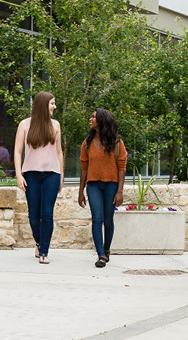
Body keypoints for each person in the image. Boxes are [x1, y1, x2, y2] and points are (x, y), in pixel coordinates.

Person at [14, 91, 64, 264]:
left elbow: (59, 152)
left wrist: (61, 175)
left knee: (47, 213)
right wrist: (19, 174)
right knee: (33, 216)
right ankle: (38, 242)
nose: (54, 106)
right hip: (31, 174)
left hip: (52, 174)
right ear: (43, 105)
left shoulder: (56, 125)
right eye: (52, 103)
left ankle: (44, 251)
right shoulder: (25, 125)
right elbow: (18, 151)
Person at [78, 109, 127, 268]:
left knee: (108, 220)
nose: (90, 119)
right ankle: (100, 255)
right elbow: (84, 167)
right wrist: (81, 191)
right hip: (93, 185)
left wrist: (119, 192)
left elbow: (121, 167)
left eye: (93, 117)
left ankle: (107, 249)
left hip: (111, 185)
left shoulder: (117, 142)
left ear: (102, 121)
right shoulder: (87, 143)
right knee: (97, 219)